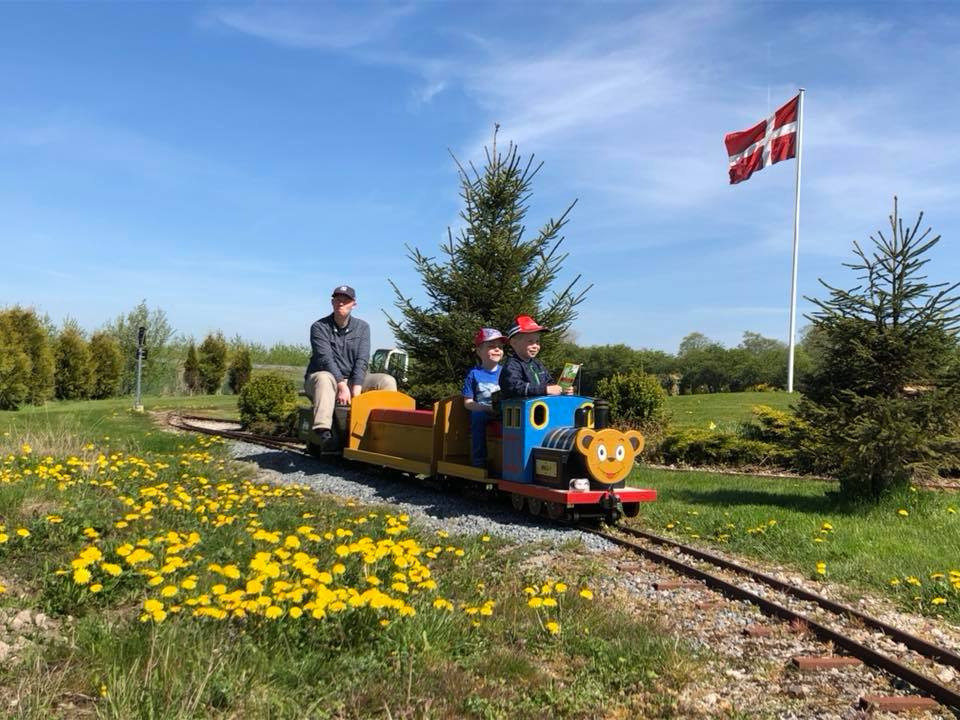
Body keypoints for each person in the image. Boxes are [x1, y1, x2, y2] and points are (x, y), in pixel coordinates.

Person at [305, 285, 397, 445]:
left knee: (387, 380)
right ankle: (323, 430)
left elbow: (362, 359)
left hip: (353, 380)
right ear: (332, 302)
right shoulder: (319, 327)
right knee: (324, 378)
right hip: (324, 378)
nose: (341, 303)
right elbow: (325, 359)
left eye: (345, 300)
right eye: (337, 299)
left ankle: (388, 427)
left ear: (353, 304)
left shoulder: (362, 327)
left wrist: (357, 388)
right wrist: (342, 386)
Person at [499, 314, 570, 399]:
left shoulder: (537, 364)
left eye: (537, 341)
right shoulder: (512, 365)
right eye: (530, 341)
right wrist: (544, 390)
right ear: (514, 343)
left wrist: (561, 389)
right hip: (521, 409)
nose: (535, 346)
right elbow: (514, 387)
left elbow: (549, 382)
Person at [462, 328, 505, 468]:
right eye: (491, 346)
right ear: (479, 351)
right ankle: (479, 461)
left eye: (500, 347)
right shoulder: (474, 374)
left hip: (504, 410)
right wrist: (485, 408)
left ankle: (510, 460)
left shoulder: (507, 372)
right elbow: (468, 402)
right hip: (483, 409)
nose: (497, 350)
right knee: (477, 417)